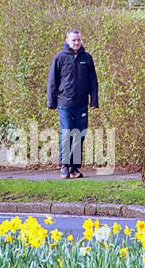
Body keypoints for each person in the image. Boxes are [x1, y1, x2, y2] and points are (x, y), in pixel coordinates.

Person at [47, 29, 99, 179]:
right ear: (67, 41)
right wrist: (51, 101)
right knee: (67, 132)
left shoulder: (87, 58)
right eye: (73, 40)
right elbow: (52, 81)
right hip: (65, 103)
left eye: (78, 40)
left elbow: (93, 82)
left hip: (82, 104)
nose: (76, 42)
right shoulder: (60, 58)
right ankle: (64, 166)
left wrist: (94, 101)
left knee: (79, 135)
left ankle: (74, 168)